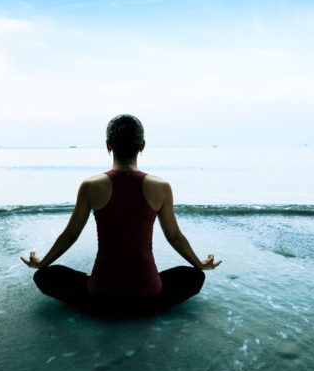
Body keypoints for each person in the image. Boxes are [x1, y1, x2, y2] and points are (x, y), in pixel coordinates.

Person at [21, 114, 221, 316]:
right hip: (149, 298)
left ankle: (100, 294)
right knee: (195, 276)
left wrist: (42, 262)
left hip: (101, 298)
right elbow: (174, 237)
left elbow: (71, 234)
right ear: (142, 146)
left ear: (109, 145)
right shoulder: (161, 187)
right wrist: (199, 263)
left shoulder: (90, 186)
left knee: (44, 276)